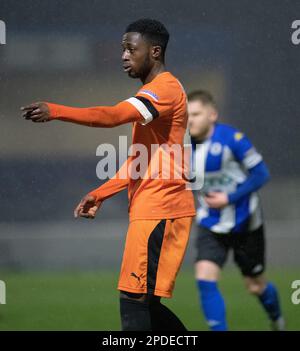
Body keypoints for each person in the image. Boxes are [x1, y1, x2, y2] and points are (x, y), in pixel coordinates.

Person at [21, 18, 196, 331]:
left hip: (161, 210)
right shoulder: (153, 93)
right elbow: (138, 161)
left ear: (154, 51)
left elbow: (111, 115)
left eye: (131, 49)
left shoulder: (164, 89)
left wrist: (56, 110)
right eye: (122, 49)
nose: (124, 55)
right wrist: (100, 193)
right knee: (145, 304)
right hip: (152, 209)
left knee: (133, 301)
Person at [187, 90, 284, 331]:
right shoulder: (183, 146)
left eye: (196, 114)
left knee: (255, 285)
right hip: (210, 223)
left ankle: (277, 321)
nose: (190, 120)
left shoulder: (233, 139)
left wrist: (229, 197)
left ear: (212, 115)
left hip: (245, 221)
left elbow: (262, 173)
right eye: (187, 115)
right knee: (205, 279)